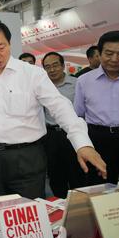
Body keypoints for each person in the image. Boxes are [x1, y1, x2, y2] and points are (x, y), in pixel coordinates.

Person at [0, 19, 106, 199]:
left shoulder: (33, 74)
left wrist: (82, 144)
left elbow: (60, 107)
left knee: (29, 214)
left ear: (9, 43)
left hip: (27, 157)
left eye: (1, 47)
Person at [74, 30, 119, 185]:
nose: (115, 59)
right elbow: (78, 114)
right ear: (99, 53)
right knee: (101, 185)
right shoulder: (84, 81)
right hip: (98, 138)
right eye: (109, 53)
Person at [42, 52, 85, 198]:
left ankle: (78, 205)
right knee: (55, 174)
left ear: (62, 66)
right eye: (47, 67)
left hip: (72, 134)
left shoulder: (77, 83)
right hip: (51, 135)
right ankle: (60, 205)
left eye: (55, 65)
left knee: (77, 172)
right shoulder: (42, 86)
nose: (52, 70)